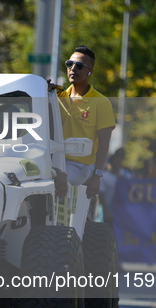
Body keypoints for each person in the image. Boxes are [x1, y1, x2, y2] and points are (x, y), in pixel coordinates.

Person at [52, 45, 116, 200]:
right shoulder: (55, 96)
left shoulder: (101, 103)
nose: (73, 68)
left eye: (79, 66)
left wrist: (97, 175)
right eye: (69, 64)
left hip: (78, 166)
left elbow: (104, 142)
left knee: (54, 182)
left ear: (89, 72)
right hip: (52, 160)